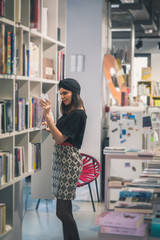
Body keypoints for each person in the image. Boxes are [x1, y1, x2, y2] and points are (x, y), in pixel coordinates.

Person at [40, 78, 87, 240]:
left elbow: (60, 139)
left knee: (61, 212)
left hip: (68, 163)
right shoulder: (70, 112)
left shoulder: (78, 113)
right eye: (61, 94)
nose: (63, 97)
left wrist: (48, 116)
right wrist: (50, 128)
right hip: (61, 162)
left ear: (75, 93)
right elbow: (60, 134)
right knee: (65, 210)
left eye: (65, 93)